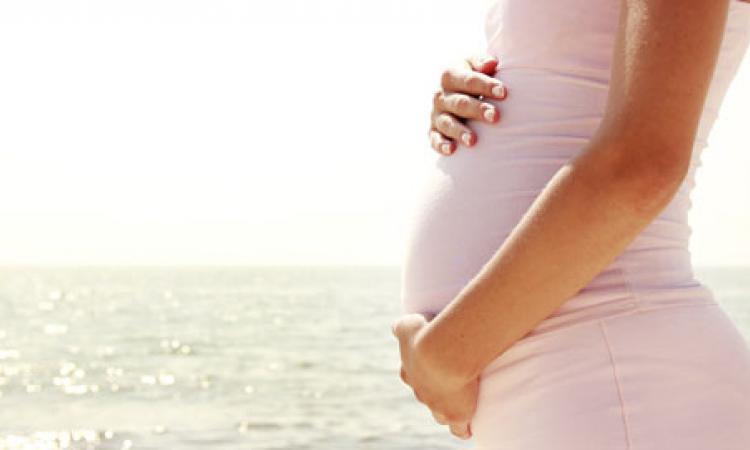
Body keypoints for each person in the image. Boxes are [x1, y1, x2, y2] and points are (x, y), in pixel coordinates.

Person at [391, 0, 750, 448]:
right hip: (589, 379)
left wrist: (446, 358)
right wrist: (492, 86)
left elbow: (641, 166)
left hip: (616, 374)